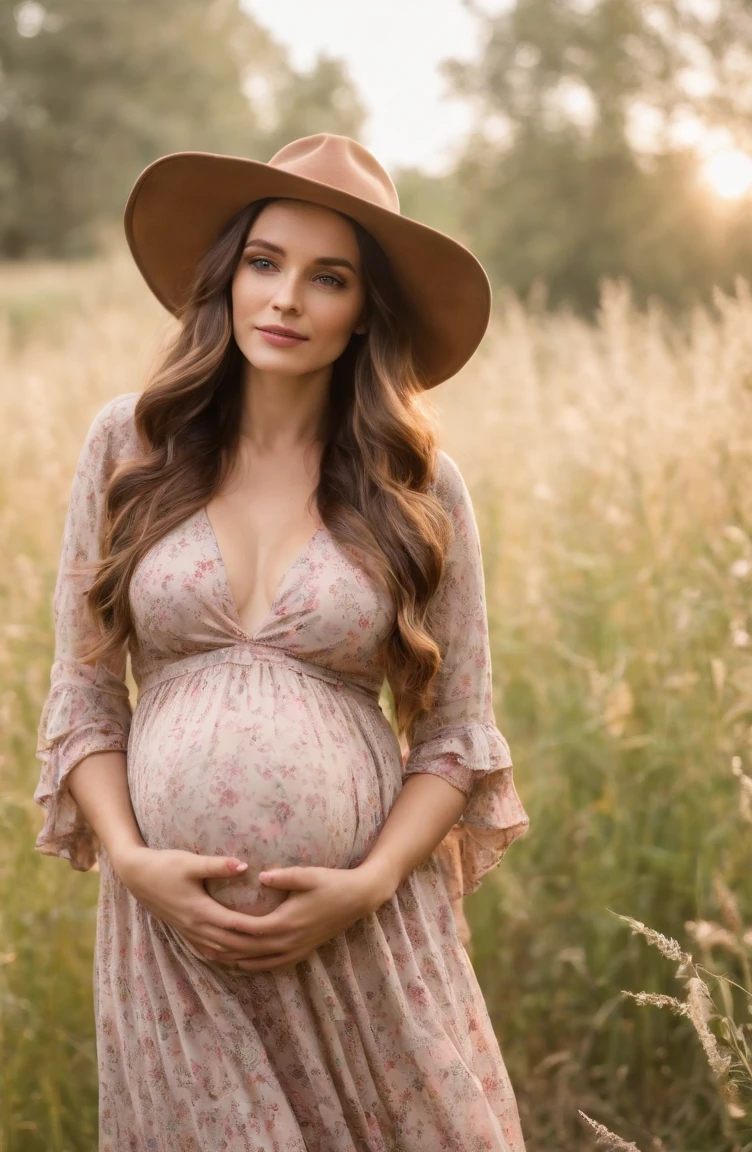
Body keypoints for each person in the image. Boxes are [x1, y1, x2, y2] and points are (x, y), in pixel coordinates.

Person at [33, 132, 531, 1151]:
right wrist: (130, 860)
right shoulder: (129, 447)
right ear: (226, 279)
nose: (286, 299)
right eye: (264, 262)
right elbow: (84, 698)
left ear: (363, 315)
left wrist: (368, 883)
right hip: (173, 943)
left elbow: (454, 734)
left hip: (367, 938)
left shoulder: (419, 490)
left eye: (327, 277)